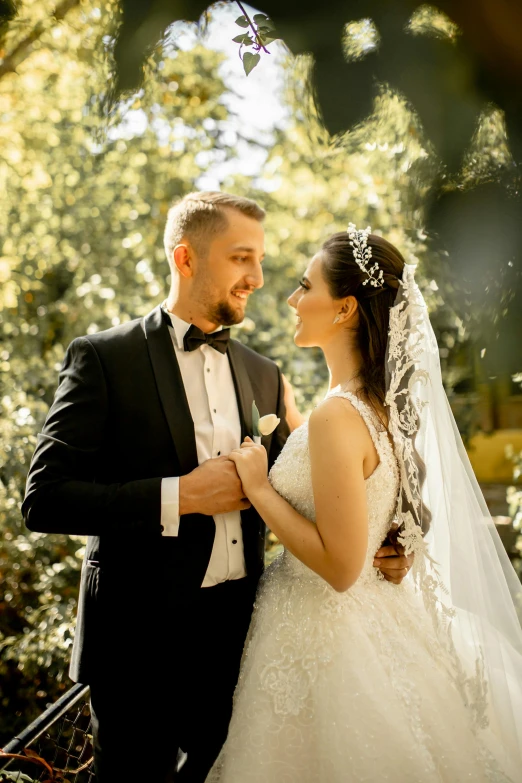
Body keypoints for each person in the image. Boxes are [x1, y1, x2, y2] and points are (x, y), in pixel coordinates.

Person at [22, 194, 410, 783]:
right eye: (241, 259)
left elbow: (314, 488)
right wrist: (180, 495)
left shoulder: (264, 373)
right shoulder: (104, 358)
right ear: (185, 258)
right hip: (136, 652)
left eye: (260, 259)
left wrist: (384, 540)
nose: (257, 278)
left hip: (246, 644)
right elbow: (45, 497)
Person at [206, 226, 522, 782]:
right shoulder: (376, 408)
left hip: (326, 637)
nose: (291, 299)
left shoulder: (338, 416)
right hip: (371, 621)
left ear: (346, 307)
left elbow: (341, 567)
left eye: (305, 287)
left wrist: (257, 487)